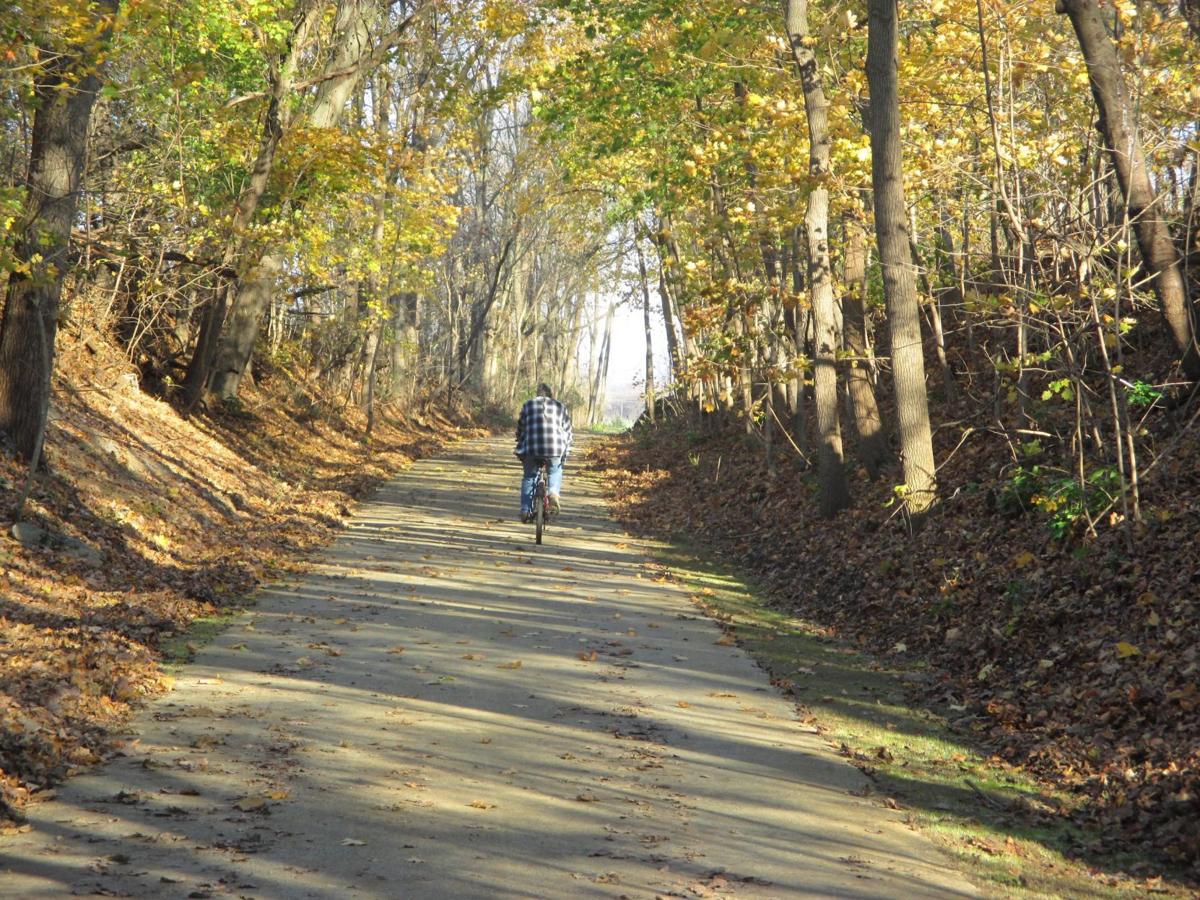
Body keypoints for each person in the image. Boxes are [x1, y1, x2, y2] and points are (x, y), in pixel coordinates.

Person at [515, 382, 573, 522]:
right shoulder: (560, 407)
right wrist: (566, 451)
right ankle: (553, 492)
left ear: (537, 393)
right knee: (554, 471)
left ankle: (525, 510)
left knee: (529, 477)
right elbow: (568, 432)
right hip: (555, 448)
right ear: (551, 394)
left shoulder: (527, 405)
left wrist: (520, 440)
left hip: (532, 448)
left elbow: (520, 428)